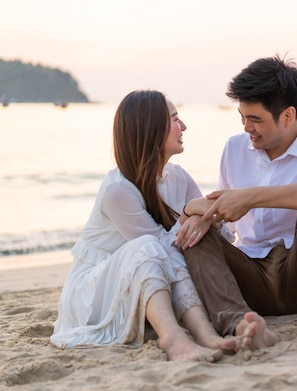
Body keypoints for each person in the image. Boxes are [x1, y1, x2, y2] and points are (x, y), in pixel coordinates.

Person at [176, 55, 297, 359]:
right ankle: (240, 325)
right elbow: (228, 221)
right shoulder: (234, 148)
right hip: (250, 278)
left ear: (287, 115)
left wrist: (253, 196)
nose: (247, 127)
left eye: (255, 119)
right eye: (242, 117)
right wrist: (203, 217)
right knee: (194, 233)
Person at [50, 90, 237, 362]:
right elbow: (164, 250)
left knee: (162, 246)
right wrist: (189, 214)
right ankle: (173, 339)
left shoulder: (178, 177)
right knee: (151, 246)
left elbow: (224, 235)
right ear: (152, 129)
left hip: (145, 277)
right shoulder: (119, 190)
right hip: (94, 293)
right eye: (175, 119)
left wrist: (200, 218)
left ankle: (206, 336)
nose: (183, 126)